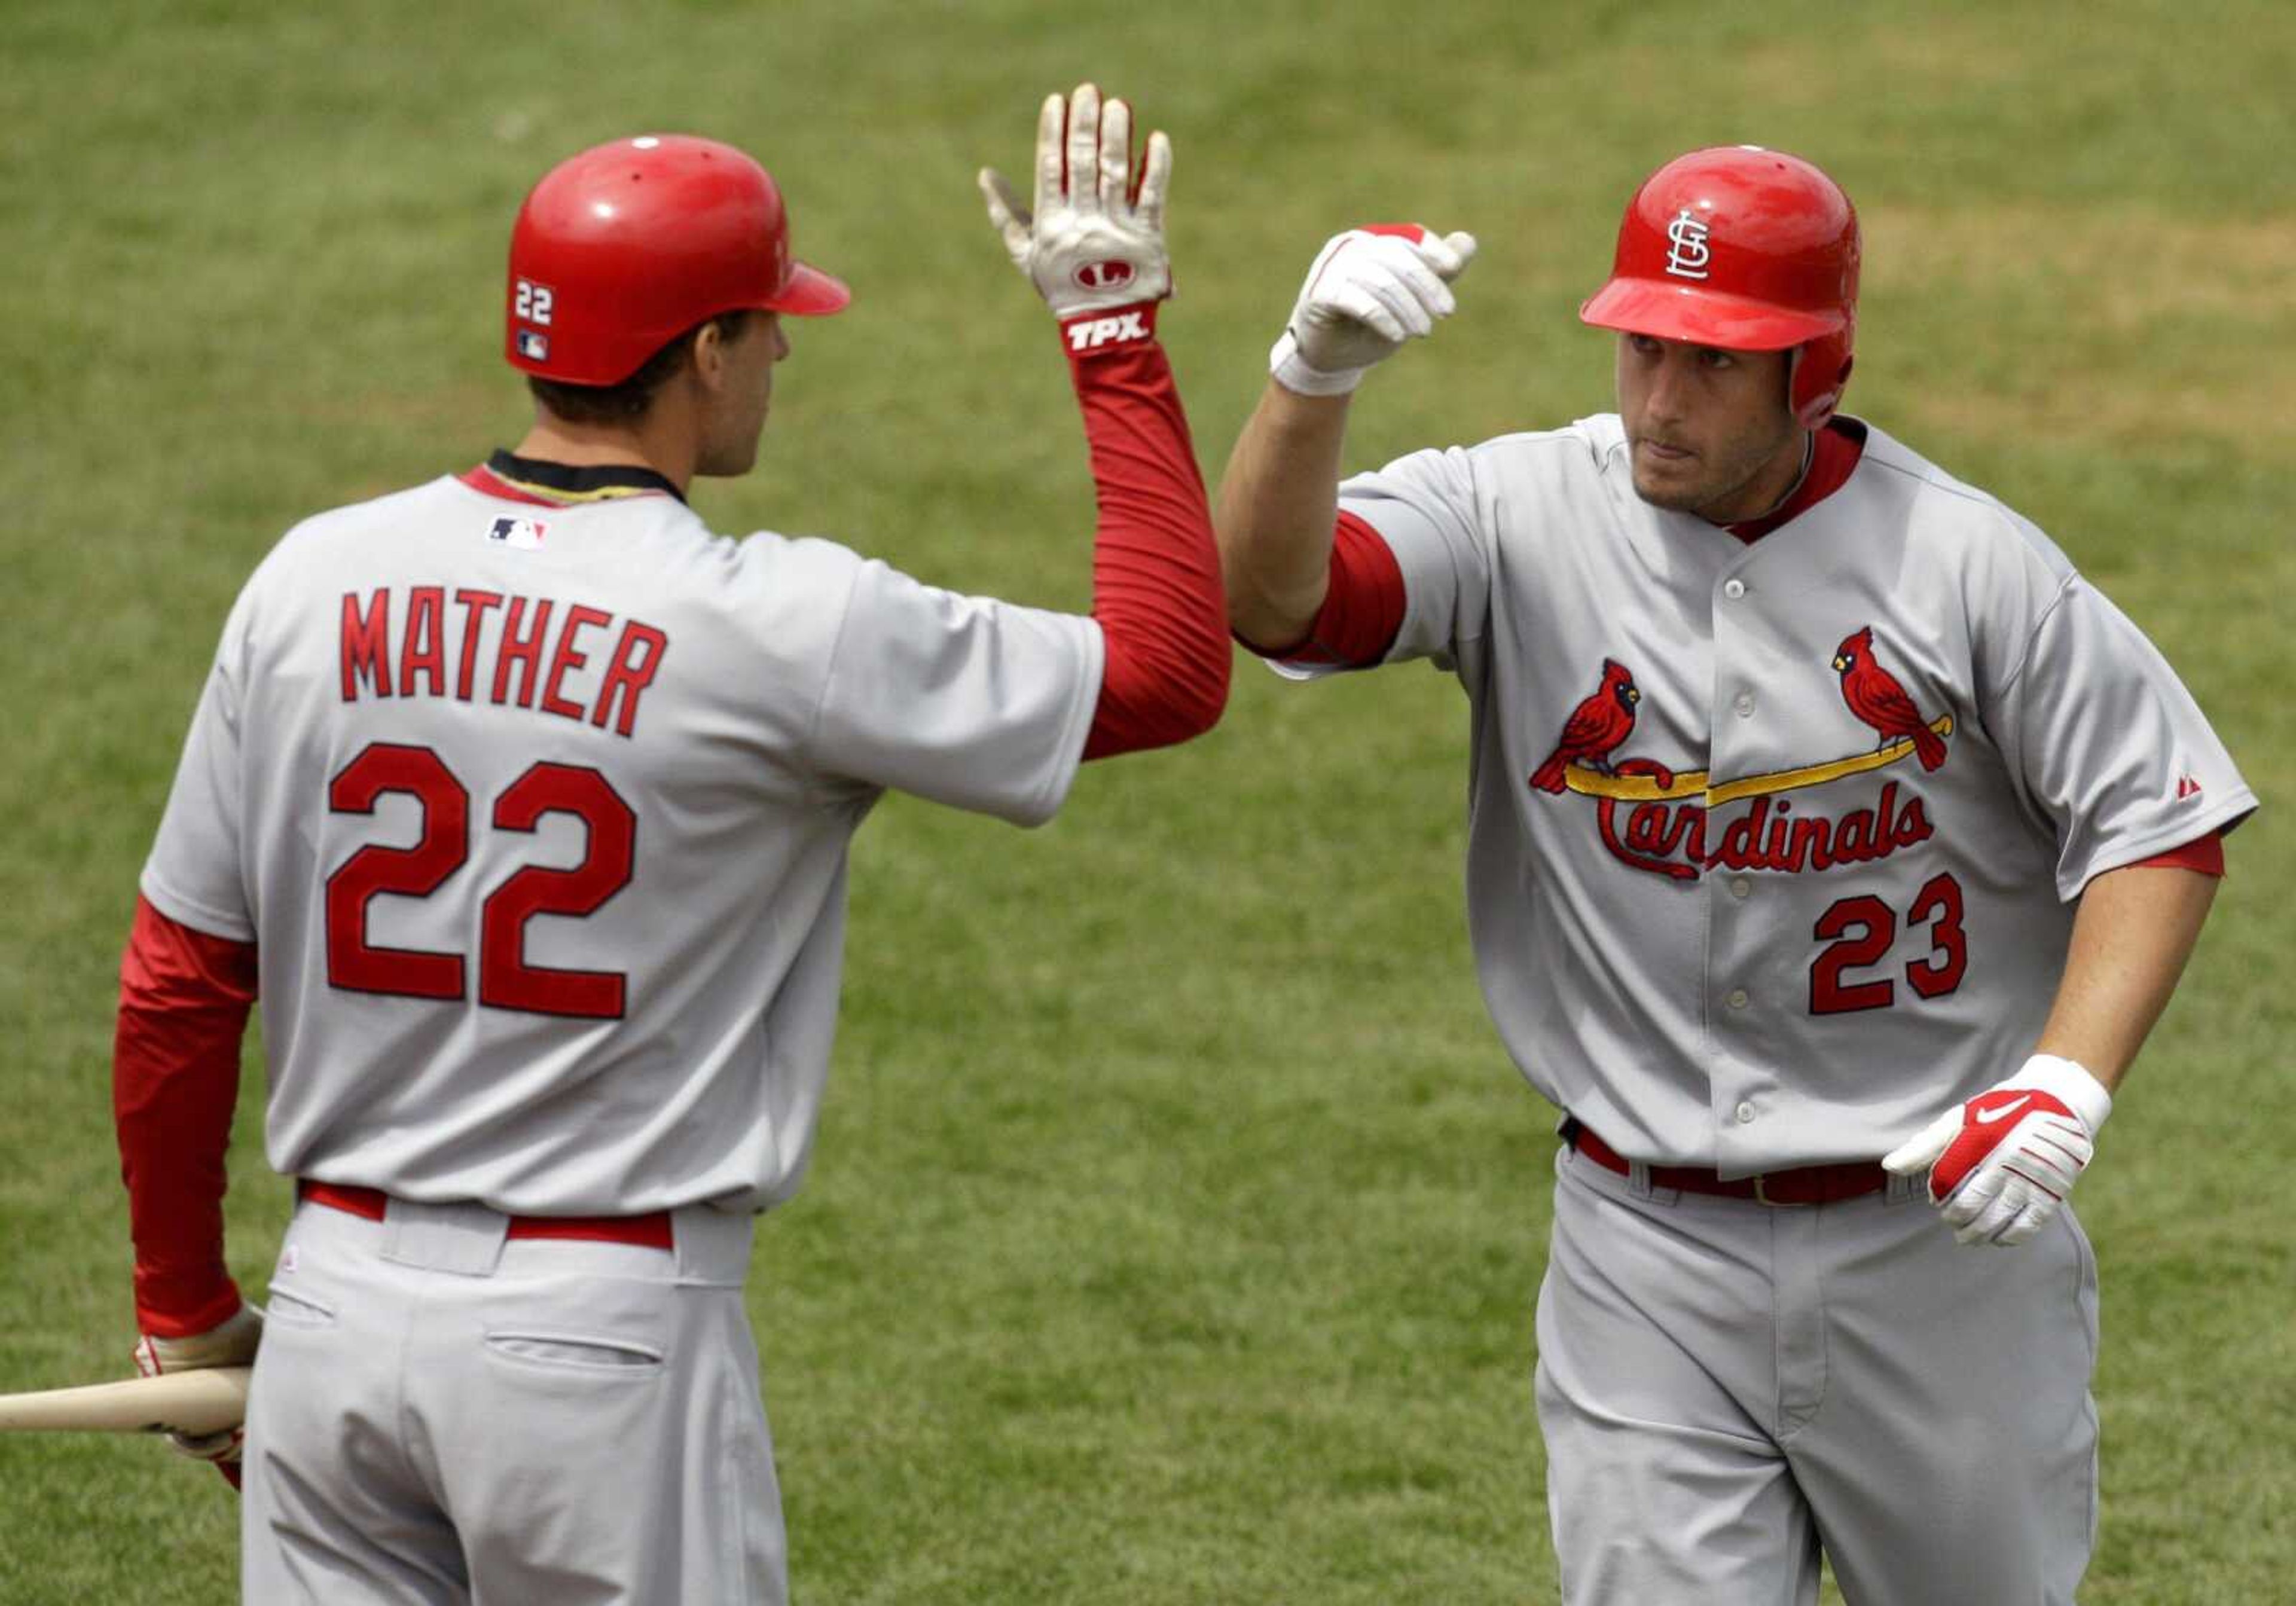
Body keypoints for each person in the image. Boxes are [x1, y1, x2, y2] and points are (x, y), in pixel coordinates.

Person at [112, 84, 1225, 1604]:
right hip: (601, 1344)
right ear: (700, 354)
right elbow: (1167, 668)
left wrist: (184, 1302)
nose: (785, 349)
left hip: (335, 1316)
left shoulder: (309, 578)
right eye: (766, 323)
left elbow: (180, 979)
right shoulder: (779, 624)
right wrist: (1111, 333)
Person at [1214, 146, 2254, 1604]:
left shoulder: (1968, 564)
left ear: (1813, 372)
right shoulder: (1516, 511)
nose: (1658, 399)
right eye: (1643, 346)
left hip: (1938, 1247)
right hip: (1642, 1252)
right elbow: (1275, 598)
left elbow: (2158, 815)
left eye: (1711, 363)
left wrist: (2068, 1083)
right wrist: (1307, 380)